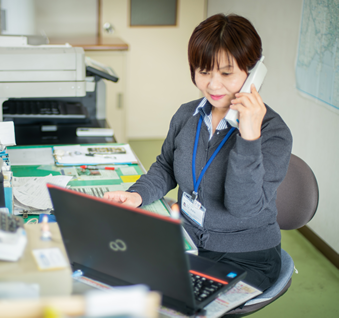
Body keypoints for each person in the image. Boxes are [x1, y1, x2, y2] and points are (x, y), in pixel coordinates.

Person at [103, 13, 293, 292]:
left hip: (246, 259)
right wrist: (137, 193)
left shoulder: (274, 133)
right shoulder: (186, 114)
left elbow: (242, 208)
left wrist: (248, 136)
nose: (213, 86)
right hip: (188, 242)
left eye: (227, 73)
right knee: (116, 268)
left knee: (168, 297)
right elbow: (166, 166)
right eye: (204, 71)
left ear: (253, 73)